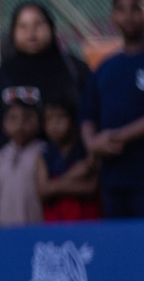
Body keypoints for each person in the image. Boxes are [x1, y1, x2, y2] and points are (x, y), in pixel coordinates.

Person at [0, 1, 88, 182]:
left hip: (68, 171)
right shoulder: (0, 77)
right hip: (13, 177)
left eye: (38, 24)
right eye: (23, 26)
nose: (31, 33)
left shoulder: (74, 70)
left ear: (50, 27)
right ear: (13, 31)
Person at [82, 0, 144, 219]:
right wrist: (93, 143)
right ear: (113, 16)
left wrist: (120, 136)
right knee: (119, 247)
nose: (129, 16)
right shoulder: (105, 68)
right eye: (121, 9)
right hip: (113, 178)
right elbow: (87, 114)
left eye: (136, 8)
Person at [0, 97, 45, 272]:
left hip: (37, 231)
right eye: (13, 118)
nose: (20, 125)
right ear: (4, 123)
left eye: (27, 118)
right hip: (7, 235)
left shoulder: (43, 152)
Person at [37, 94, 101, 222]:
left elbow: (91, 187)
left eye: (60, 118)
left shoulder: (86, 149)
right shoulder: (44, 154)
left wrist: (53, 186)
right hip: (55, 225)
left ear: (73, 119)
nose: (54, 125)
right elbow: (42, 191)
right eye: (49, 119)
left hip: (87, 222)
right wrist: (72, 176)